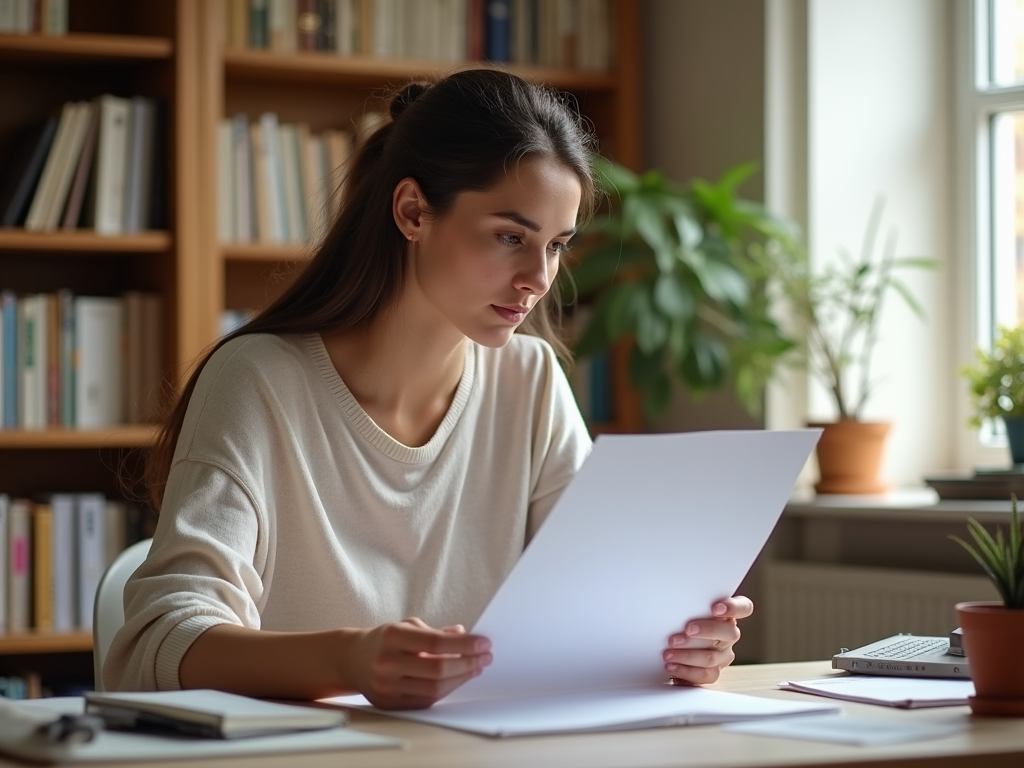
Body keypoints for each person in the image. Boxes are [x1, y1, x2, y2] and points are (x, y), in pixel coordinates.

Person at [104, 68, 754, 709]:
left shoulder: (529, 382)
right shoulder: (260, 379)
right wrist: (348, 660)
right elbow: (151, 645)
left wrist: (671, 645)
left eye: (557, 245)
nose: (538, 277)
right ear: (413, 211)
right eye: (510, 237)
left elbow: (592, 615)